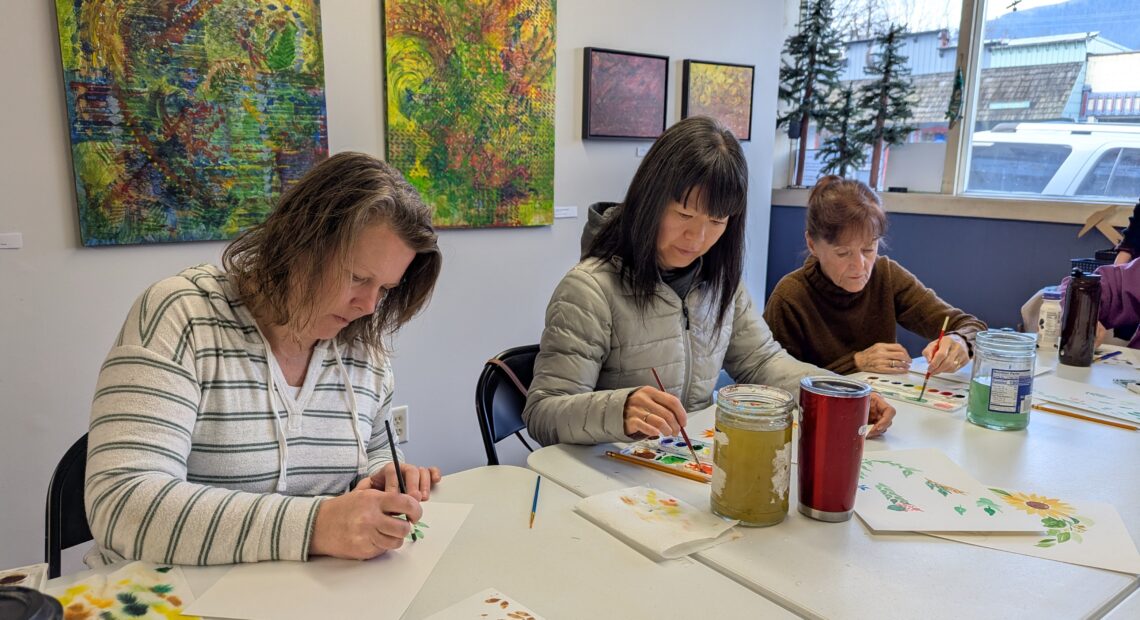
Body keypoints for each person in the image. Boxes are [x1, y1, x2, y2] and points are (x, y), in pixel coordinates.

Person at [85, 152, 443, 567]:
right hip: (165, 596)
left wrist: (384, 478)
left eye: (384, 288)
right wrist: (316, 525)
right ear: (298, 243)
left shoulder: (363, 350)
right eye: (357, 277)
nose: (367, 305)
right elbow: (122, 503)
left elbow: (375, 451)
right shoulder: (182, 314)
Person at [522, 117, 895, 446]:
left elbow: (763, 362)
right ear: (649, 201)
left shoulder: (720, 283)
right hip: (608, 476)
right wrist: (620, 409)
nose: (697, 239)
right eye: (684, 214)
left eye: (717, 222)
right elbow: (543, 413)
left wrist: (839, 394)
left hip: (683, 465)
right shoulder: (589, 290)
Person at [764, 176, 986, 376]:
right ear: (812, 244)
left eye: (869, 249)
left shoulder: (886, 275)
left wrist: (960, 341)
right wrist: (856, 363)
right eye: (843, 253)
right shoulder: (790, 297)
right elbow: (773, 379)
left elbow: (971, 325)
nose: (859, 265)